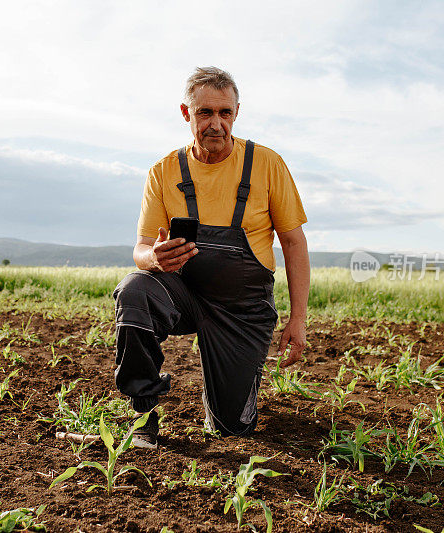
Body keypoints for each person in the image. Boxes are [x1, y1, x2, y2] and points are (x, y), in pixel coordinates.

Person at [112, 66, 310, 448]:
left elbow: (293, 242)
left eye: (225, 113)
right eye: (205, 113)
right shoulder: (163, 171)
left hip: (242, 308)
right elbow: (139, 250)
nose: (215, 124)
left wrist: (298, 318)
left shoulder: (266, 164)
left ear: (237, 113)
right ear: (187, 114)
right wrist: (155, 258)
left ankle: (229, 395)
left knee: (231, 430)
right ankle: (143, 413)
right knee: (134, 289)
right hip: (184, 295)